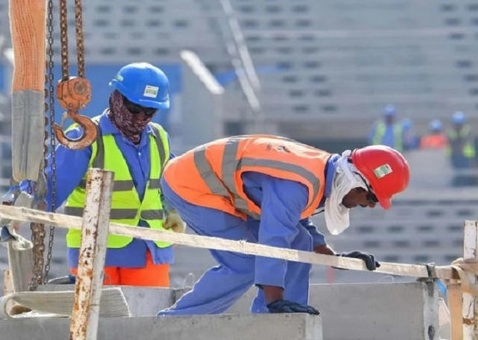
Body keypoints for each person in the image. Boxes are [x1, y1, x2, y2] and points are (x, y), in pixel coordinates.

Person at [157, 135, 410, 316]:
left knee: (301, 243)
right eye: (372, 197)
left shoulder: (322, 174)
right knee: (245, 264)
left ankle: (279, 323)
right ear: (355, 182)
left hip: (220, 187)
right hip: (190, 185)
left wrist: (333, 258)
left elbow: (296, 222)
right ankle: (174, 323)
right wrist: (274, 299)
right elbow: (274, 238)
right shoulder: (299, 184)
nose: (371, 206)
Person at [42, 62, 182, 287]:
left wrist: (174, 210)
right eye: (134, 108)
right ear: (117, 98)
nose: (140, 117)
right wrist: (18, 207)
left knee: (149, 318)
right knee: (99, 319)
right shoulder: (86, 136)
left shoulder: (159, 138)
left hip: (150, 249)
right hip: (95, 248)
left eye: (149, 112)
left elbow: (170, 182)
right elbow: (50, 185)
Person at [446, 111, 476, 186]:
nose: (458, 125)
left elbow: (464, 141)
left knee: (465, 173)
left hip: (465, 155)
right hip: (454, 155)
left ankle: (462, 187)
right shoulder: (451, 131)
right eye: (456, 124)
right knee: (456, 173)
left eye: (459, 124)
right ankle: (456, 187)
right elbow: (451, 142)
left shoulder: (467, 130)